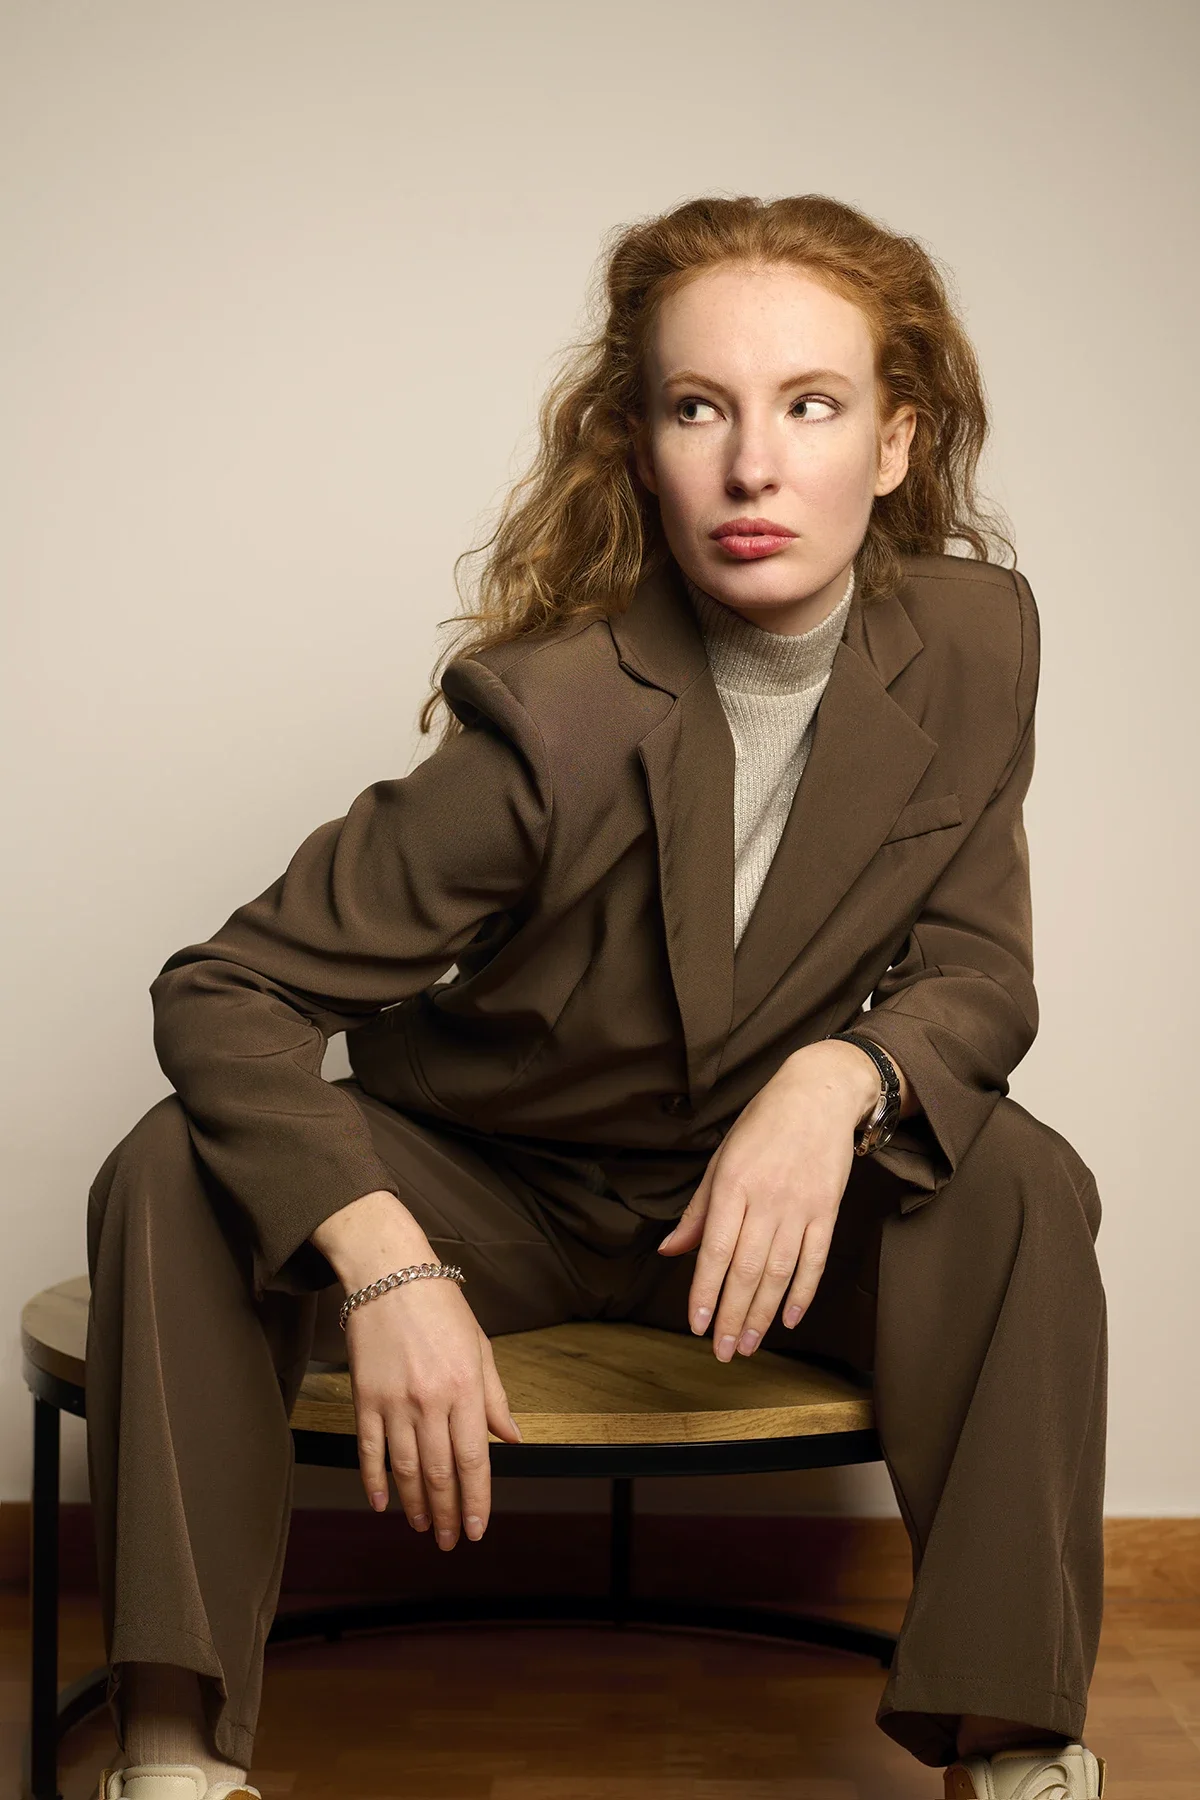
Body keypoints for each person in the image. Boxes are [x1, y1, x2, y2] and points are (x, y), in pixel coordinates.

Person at [85, 193, 1108, 1800]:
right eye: (700, 408)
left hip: (761, 1216)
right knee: (171, 1166)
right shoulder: (550, 717)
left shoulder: (979, 644)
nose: (753, 465)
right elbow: (227, 991)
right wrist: (385, 1257)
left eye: (811, 405)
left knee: (1023, 1179)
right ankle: (169, 1753)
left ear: (896, 442)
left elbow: (977, 968)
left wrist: (839, 1081)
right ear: (638, 446)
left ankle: (1018, 1748)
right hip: (500, 1190)